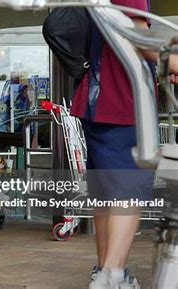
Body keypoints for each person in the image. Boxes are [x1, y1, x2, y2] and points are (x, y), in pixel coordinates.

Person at [68, 1, 178, 288]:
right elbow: (139, 39)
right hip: (124, 102)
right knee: (129, 192)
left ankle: (106, 270)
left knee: (106, 194)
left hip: (95, 100)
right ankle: (111, 276)